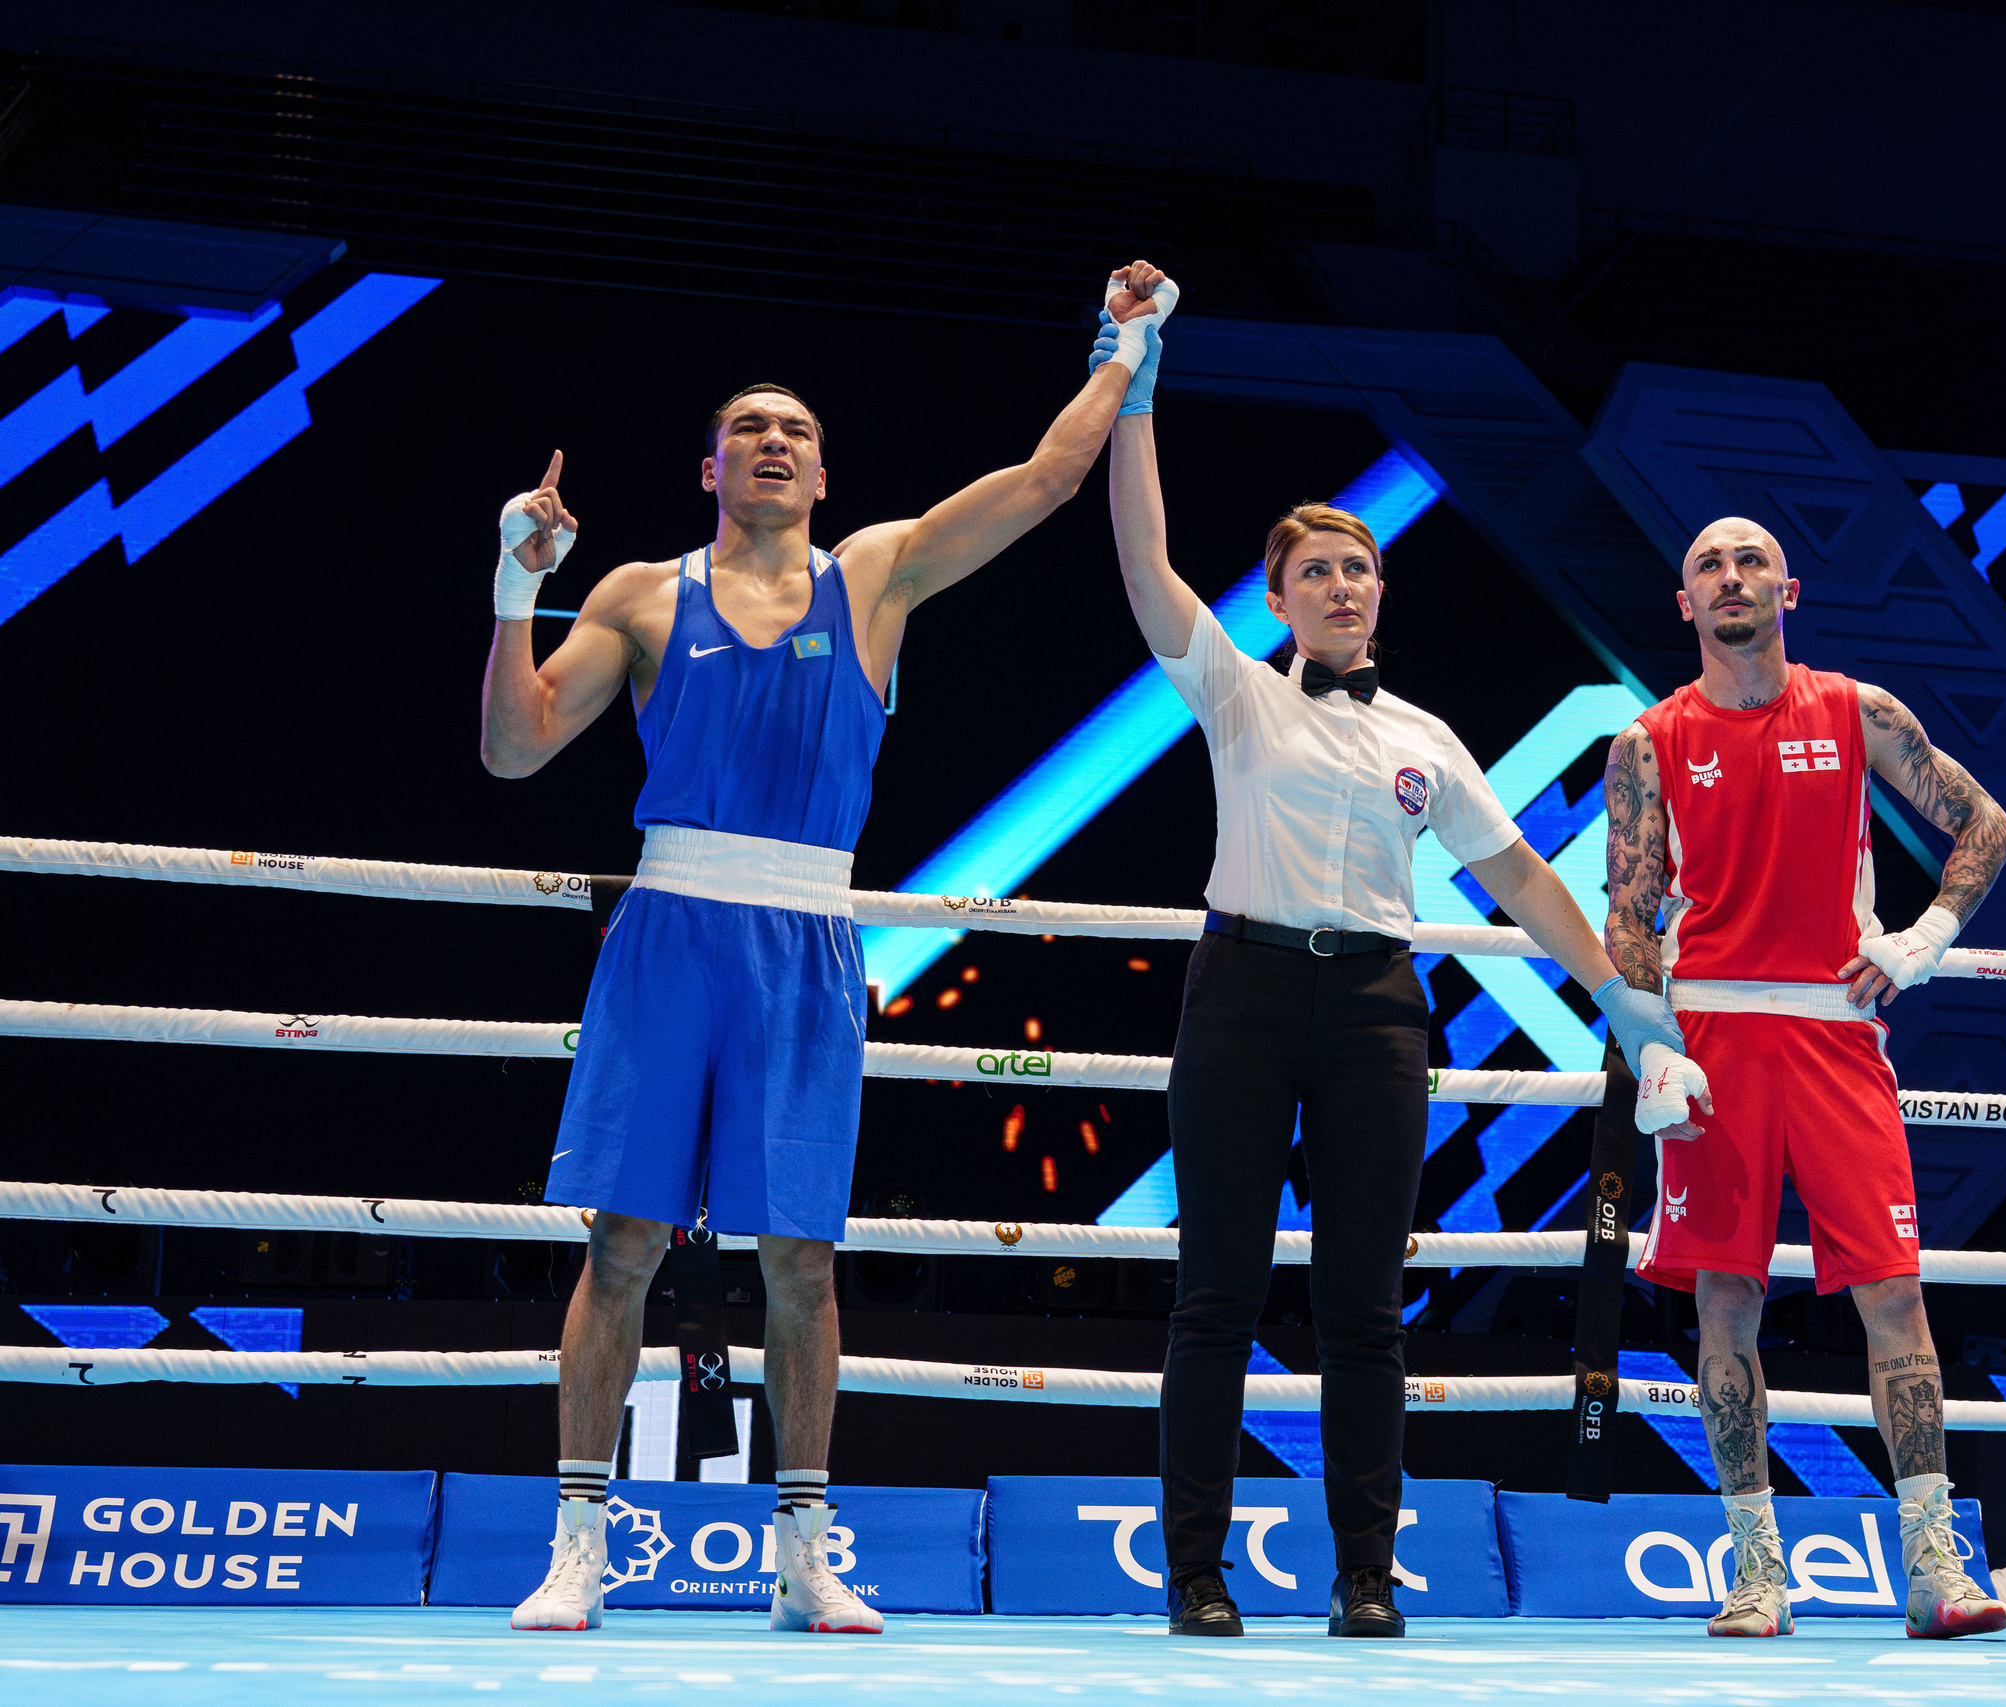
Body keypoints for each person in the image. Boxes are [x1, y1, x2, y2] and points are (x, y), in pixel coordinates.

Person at [480, 271, 1171, 1634]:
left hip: (805, 939)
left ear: (824, 466)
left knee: (799, 1256)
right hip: (670, 931)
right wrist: (516, 580)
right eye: (748, 425)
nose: (774, 439)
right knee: (621, 1243)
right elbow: (512, 748)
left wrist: (1124, 346)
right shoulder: (635, 591)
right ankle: (577, 1542)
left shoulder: (874, 574)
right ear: (710, 465)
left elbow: (1042, 480)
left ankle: (805, 1545)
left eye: (795, 426)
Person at [1099, 264, 1690, 1640]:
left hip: (1375, 1003)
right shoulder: (1238, 693)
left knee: (1366, 1304)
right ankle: (1198, 1574)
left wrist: (1625, 1001)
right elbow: (1140, 560)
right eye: (1320, 570)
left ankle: (1365, 1572)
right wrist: (1138, 375)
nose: (1348, 585)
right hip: (1241, 989)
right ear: (1281, 596)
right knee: (1218, 1295)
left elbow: (1524, 877)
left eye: (1362, 566)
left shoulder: (1427, 734)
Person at [1602, 516, 2006, 1640]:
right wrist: (1649, 1039)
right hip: (1712, 1039)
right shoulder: (1646, 741)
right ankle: (1755, 1572)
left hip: (1838, 1029)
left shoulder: (1854, 711)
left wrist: (1924, 932)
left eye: (1750, 561)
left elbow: (1986, 824)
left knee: (1893, 1290)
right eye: (1706, 566)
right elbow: (1628, 912)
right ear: (1684, 603)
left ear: (1787, 589)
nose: (1730, 577)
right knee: (1723, 1301)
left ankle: (1933, 1567)